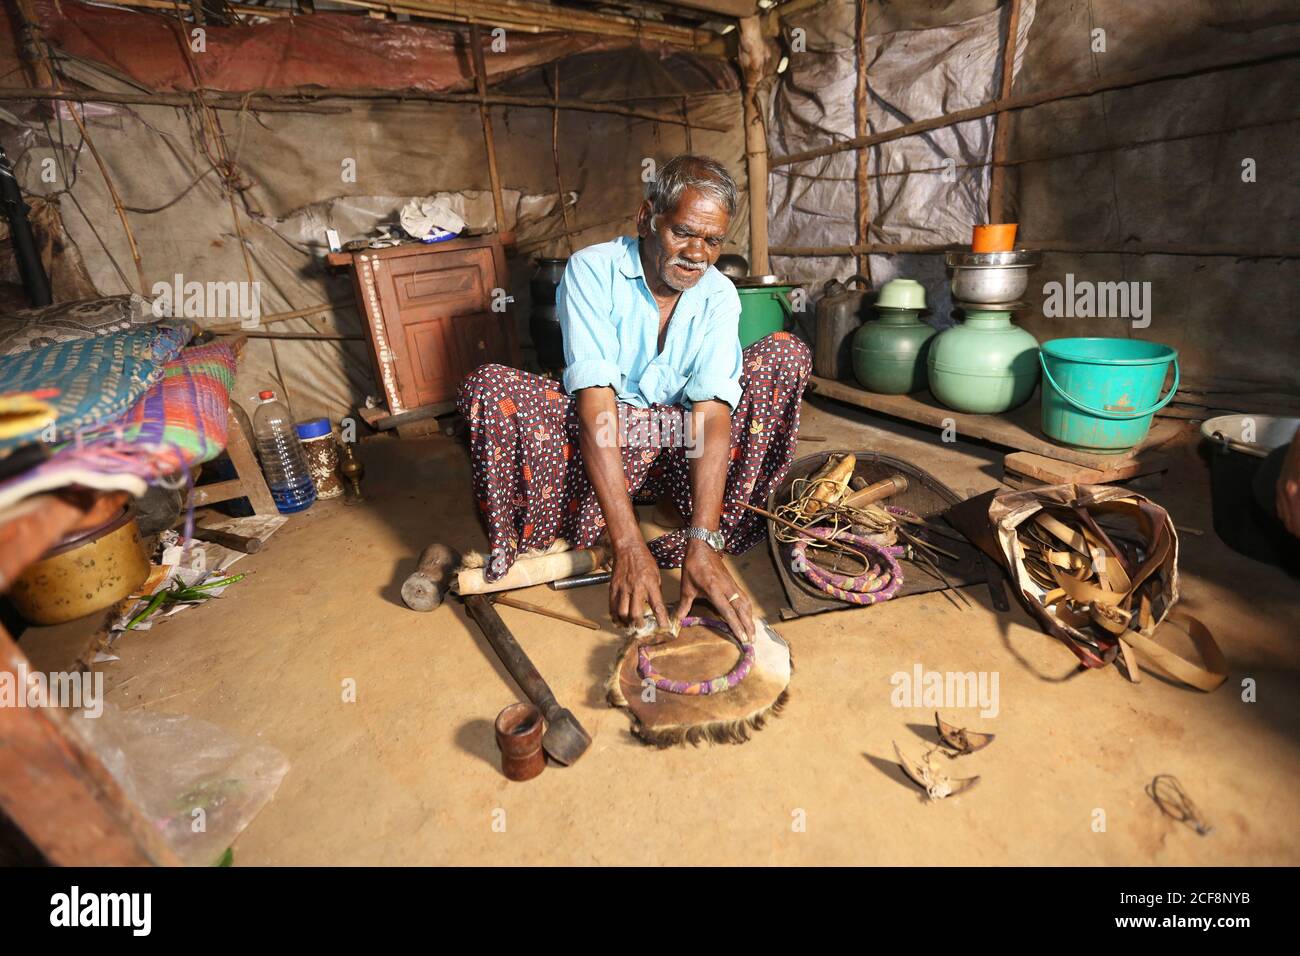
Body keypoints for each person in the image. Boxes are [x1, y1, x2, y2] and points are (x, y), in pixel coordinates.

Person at [458, 154, 811, 640]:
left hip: (676, 441)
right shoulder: (592, 269)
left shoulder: (719, 295)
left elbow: (710, 415)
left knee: (784, 355)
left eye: (712, 240)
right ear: (648, 218)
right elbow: (595, 405)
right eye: (683, 232)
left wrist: (704, 541)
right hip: (608, 436)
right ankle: (608, 531)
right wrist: (627, 542)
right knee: (490, 387)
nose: (697, 253)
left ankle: (689, 523)